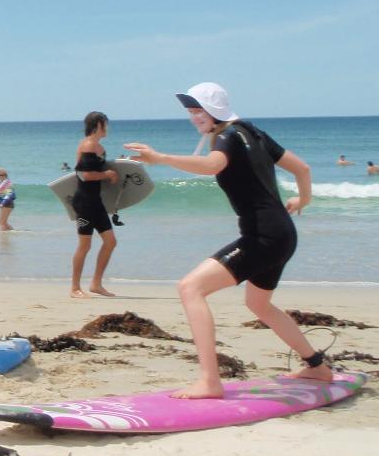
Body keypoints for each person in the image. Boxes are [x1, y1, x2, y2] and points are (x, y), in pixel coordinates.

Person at [126, 82, 331, 398]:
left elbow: (212, 166)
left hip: (263, 237)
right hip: (282, 234)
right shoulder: (253, 132)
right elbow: (302, 168)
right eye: (190, 111)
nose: (193, 117)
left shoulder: (227, 137)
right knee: (259, 304)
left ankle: (210, 381)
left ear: (213, 112)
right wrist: (302, 200)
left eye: (198, 111)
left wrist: (161, 158)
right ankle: (316, 366)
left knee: (190, 288)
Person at [70, 112, 117, 298]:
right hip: (84, 203)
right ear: (98, 125)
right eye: (106, 124)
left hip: (95, 201)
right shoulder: (88, 145)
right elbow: (84, 174)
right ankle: (74, 288)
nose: (108, 128)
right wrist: (107, 175)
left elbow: (95, 171)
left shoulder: (98, 147)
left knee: (110, 241)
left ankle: (96, 284)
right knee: (85, 245)